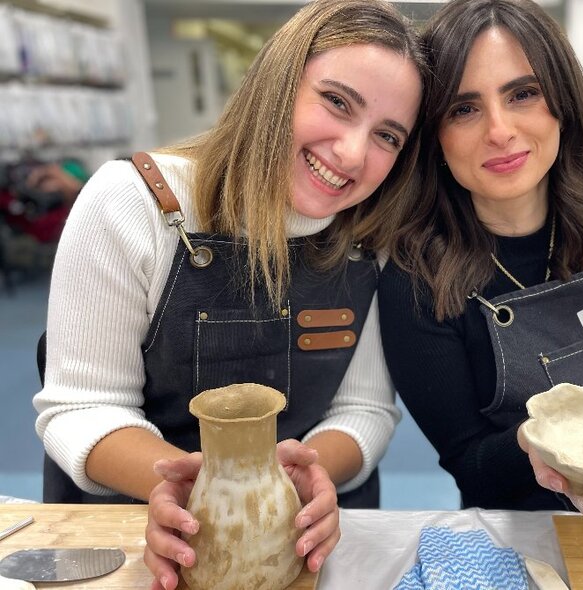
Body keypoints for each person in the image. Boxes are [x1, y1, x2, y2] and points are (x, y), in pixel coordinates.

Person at [33, 0, 425, 587]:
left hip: (300, 545)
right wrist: (181, 487)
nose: (350, 153)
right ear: (277, 83)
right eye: (337, 102)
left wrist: (310, 477)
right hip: (147, 537)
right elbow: (84, 406)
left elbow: (362, 409)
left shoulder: (369, 240)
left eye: (387, 136)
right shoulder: (134, 203)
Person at [379, 0, 583, 518]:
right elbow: (470, 464)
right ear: (433, 134)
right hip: (521, 534)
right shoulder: (418, 280)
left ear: (561, 101)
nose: (500, 130)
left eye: (523, 94)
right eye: (464, 108)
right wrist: (544, 455)